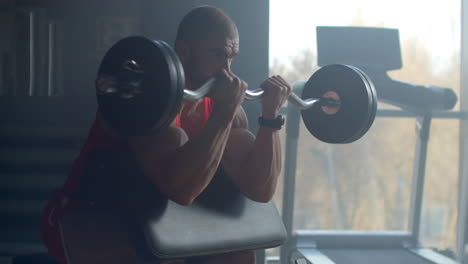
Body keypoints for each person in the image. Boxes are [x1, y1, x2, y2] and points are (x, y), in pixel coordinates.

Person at [40, 5, 292, 264]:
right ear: (184, 51)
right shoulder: (147, 102)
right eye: (217, 55)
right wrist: (224, 112)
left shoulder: (224, 106)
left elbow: (261, 191)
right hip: (88, 220)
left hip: (150, 222)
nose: (226, 70)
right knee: (166, 253)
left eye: (231, 57)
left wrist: (270, 117)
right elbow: (182, 190)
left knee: (239, 255)